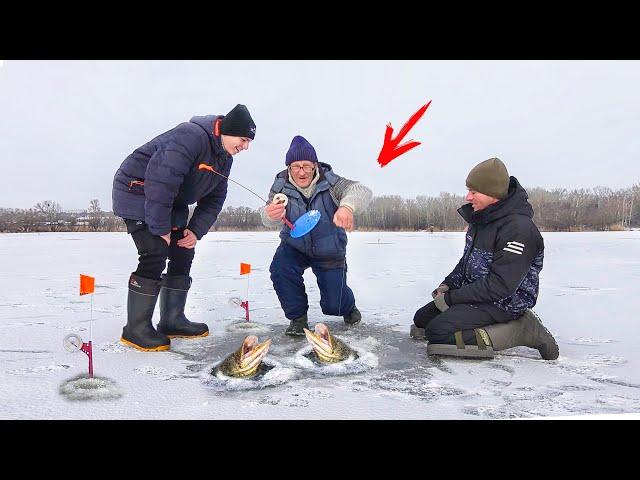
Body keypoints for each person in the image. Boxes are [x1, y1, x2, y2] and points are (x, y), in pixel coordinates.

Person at [112, 104, 256, 351]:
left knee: (183, 248)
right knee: (155, 249)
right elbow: (161, 180)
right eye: (243, 139)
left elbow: (214, 199)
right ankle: (135, 329)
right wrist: (160, 228)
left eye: (249, 142)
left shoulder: (224, 158)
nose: (245, 146)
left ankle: (172, 320)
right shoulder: (190, 136)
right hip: (138, 192)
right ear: (227, 131)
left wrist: (195, 230)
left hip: (170, 202)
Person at [411, 157, 559, 360]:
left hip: (505, 301)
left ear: (493, 193)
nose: (468, 197)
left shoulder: (518, 230)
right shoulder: (481, 220)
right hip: (477, 294)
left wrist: (452, 298)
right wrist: (447, 285)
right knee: (422, 321)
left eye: (473, 192)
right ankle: (475, 320)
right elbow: (467, 263)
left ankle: (523, 329)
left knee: (439, 333)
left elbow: (500, 286)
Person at [260, 135, 373, 336]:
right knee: (280, 269)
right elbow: (267, 215)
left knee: (333, 306)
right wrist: (269, 214)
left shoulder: (331, 183)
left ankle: (348, 307)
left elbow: (361, 190)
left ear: (315, 166)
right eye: (296, 166)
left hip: (328, 247)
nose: (301, 172)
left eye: (306, 166)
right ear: (289, 167)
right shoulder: (280, 186)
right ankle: (298, 319)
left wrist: (347, 207)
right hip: (294, 246)